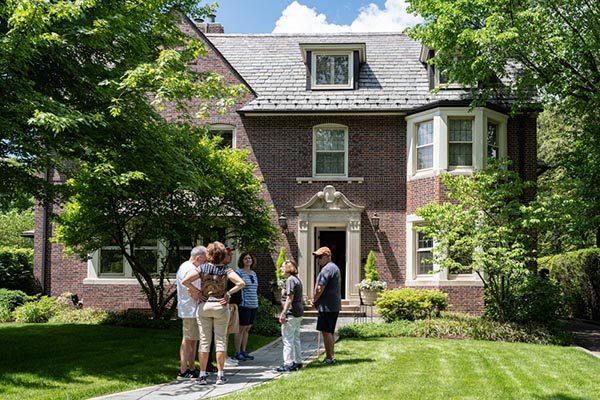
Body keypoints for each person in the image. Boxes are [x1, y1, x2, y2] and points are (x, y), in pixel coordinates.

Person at [182, 241, 245, 386]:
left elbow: (185, 280)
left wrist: (197, 292)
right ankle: (220, 375)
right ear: (223, 255)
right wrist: (228, 294)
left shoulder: (202, 268)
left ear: (209, 254)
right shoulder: (226, 270)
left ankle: (203, 375)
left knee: (204, 341)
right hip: (220, 306)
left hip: (204, 306)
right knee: (220, 340)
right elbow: (241, 283)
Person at [175, 245, 206, 380]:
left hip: (191, 308)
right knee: (188, 340)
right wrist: (200, 296)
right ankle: (183, 371)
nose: (205, 264)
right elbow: (189, 289)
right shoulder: (189, 269)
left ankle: (192, 367)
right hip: (190, 309)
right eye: (204, 260)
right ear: (198, 258)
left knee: (192, 340)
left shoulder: (186, 266)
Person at [309, 246, 341, 364]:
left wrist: (314, 300)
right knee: (330, 332)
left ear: (328, 256)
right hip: (333, 306)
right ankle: (331, 356)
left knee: (326, 332)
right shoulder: (334, 268)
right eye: (317, 257)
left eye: (320, 257)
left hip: (326, 307)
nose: (318, 259)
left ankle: (329, 358)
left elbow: (320, 288)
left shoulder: (327, 269)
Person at [275, 260, 304, 373]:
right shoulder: (296, 279)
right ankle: (298, 361)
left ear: (288, 268)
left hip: (291, 313)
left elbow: (289, 298)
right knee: (296, 338)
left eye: (283, 267)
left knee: (287, 339)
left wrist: (283, 313)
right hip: (298, 312)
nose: (281, 269)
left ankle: (288, 364)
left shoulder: (290, 280)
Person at [234, 252, 259, 361]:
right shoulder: (239, 273)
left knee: (247, 328)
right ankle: (237, 352)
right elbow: (236, 286)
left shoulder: (253, 273)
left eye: (249, 258)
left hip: (254, 303)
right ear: (242, 261)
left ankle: (244, 350)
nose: (248, 260)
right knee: (241, 328)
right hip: (244, 304)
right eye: (245, 258)